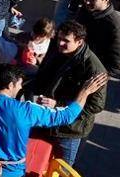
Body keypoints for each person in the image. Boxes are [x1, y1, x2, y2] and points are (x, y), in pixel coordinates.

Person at [25, 21, 108, 167]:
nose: (60, 43)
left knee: (62, 170)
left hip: (68, 131)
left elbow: (96, 106)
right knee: (33, 161)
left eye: (66, 41)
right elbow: (42, 76)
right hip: (43, 118)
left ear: (79, 41)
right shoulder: (57, 50)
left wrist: (59, 105)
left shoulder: (94, 69)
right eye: (59, 38)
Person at [74, 0, 120, 75]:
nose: (86, 2)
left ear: (106, 0)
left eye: (92, 0)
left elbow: (119, 64)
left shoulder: (115, 26)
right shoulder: (86, 9)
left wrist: (97, 74)